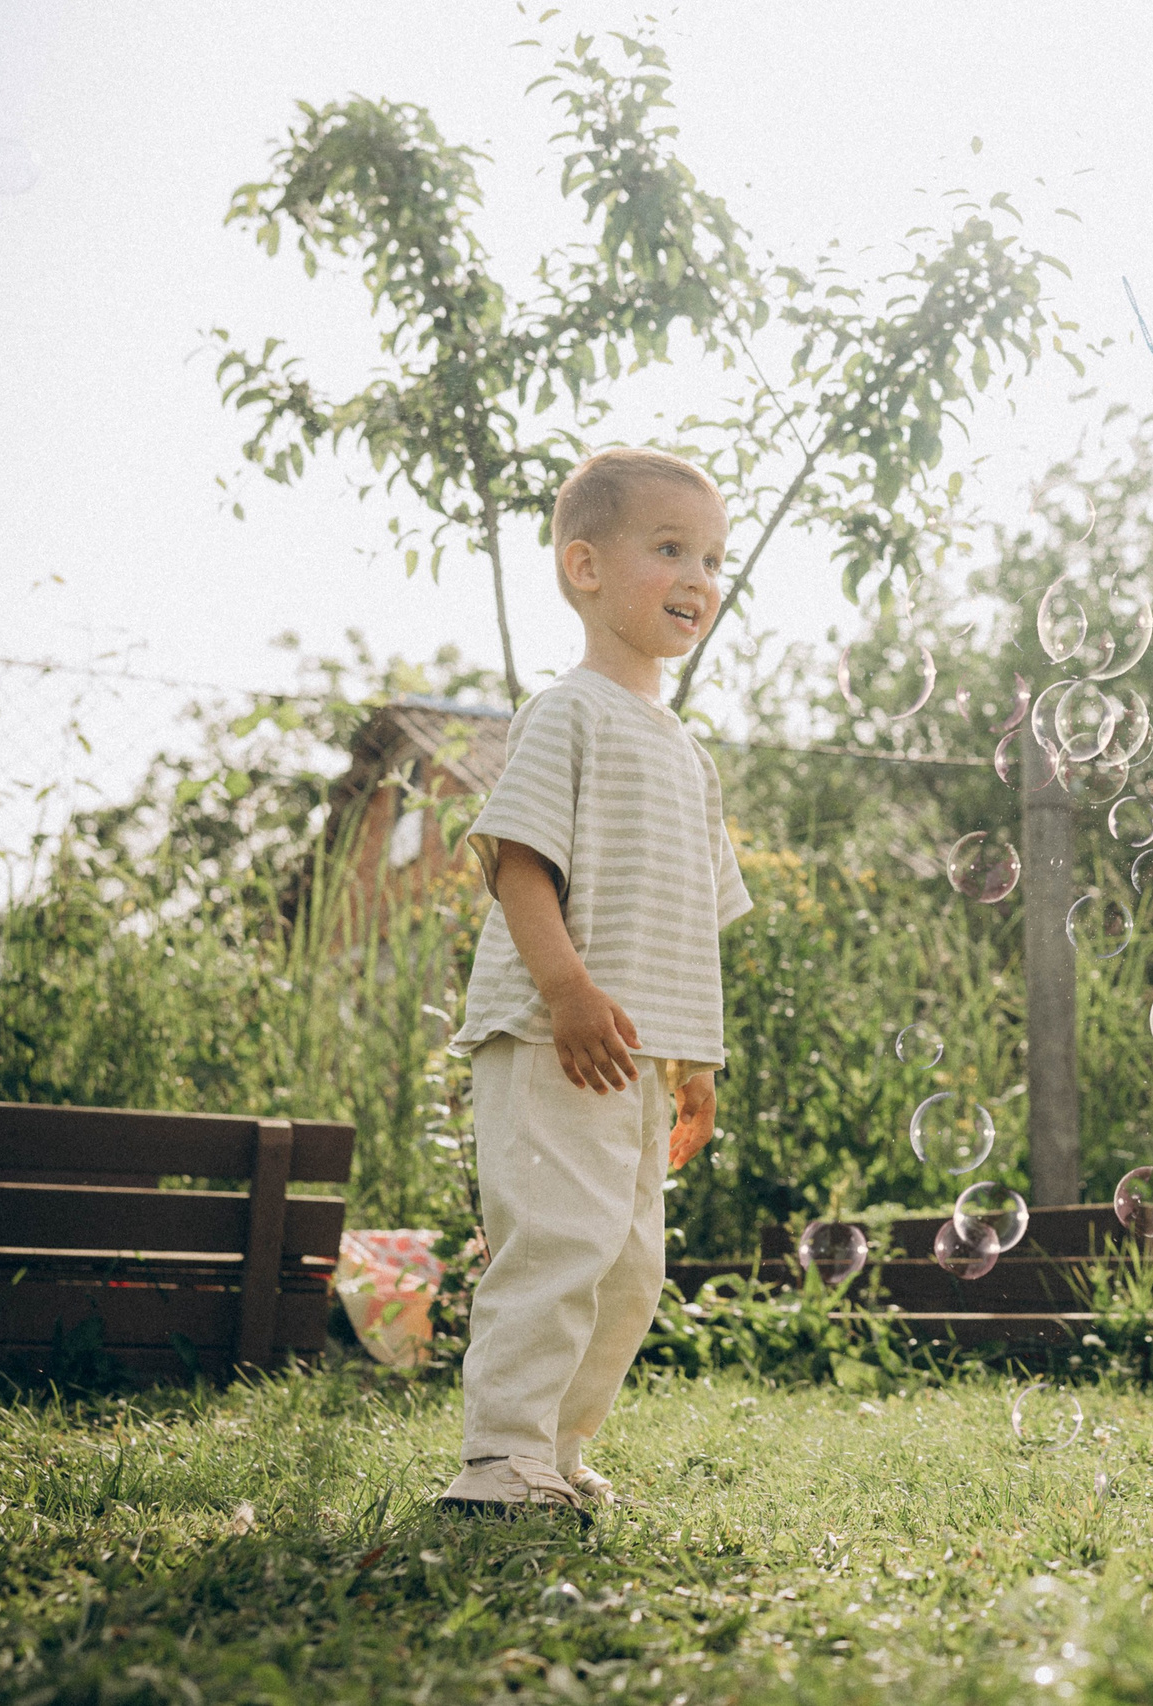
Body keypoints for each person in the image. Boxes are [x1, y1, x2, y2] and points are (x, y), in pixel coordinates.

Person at [440, 447, 753, 1517]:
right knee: (556, 1244)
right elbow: (516, 861)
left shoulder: (686, 751)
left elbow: (692, 919)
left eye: (712, 556)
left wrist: (697, 1060)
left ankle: (555, 1453)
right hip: (551, 1032)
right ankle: (498, 1458)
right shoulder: (566, 711)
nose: (699, 575)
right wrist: (567, 989)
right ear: (584, 564)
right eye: (670, 548)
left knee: (626, 1267)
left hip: (635, 1057)